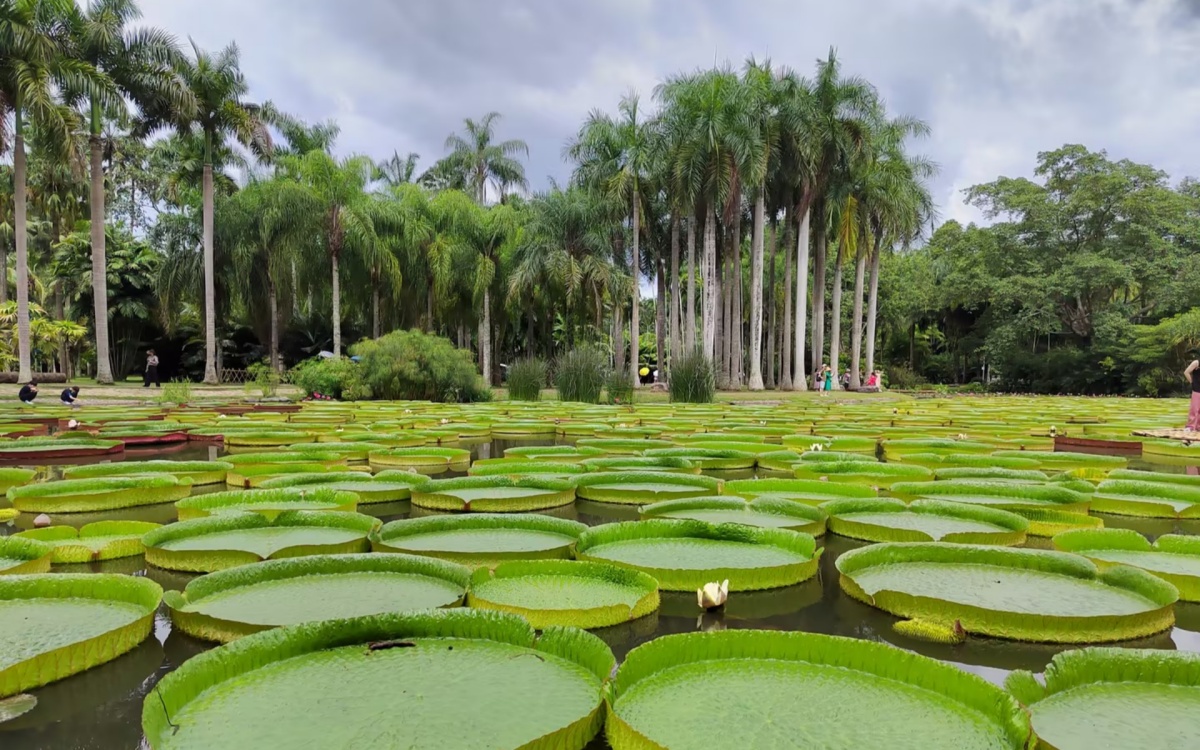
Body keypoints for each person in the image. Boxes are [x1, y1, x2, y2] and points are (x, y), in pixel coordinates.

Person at [1186, 357, 1200, 432]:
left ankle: (1198, 426)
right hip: (1197, 389)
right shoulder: (1196, 363)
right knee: (1194, 409)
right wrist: (1192, 382)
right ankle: (1190, 426)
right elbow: (1186, 372)